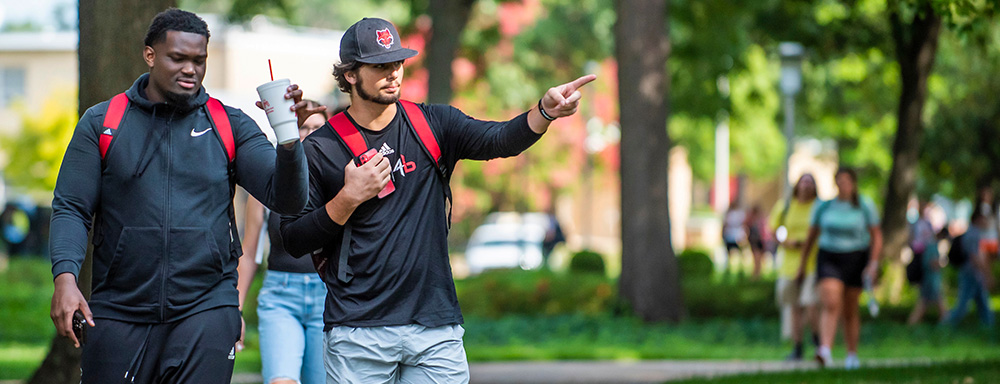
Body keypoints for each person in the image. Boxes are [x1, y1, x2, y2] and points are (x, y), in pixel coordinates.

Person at [279, 17, 595, 383]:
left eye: (397, 63)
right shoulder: (321, 148)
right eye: (380, 66)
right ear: (350, 74)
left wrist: (543, 112)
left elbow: (499, 139)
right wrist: (348, 198)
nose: (393, 73)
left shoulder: (432, 123)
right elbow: (294, 239)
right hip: (358, 331)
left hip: (435, 328)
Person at [47, 9, 312, 383]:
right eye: (178, 58)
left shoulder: (229, 124)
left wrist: (288, 139)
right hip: (120, 309)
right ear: (150, 55)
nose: (190, 69)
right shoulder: (103, 122)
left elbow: (286, 200)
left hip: (207, 309)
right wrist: (65, 277)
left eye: (199, 60)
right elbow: (72, 208)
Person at [236, 100, 330, 384]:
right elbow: (249, 252)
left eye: (317, 128)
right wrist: (235, 309)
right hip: (280, 297)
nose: (309, 134)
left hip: (328, 299)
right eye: (302, 127)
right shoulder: (269, 184)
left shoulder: (338, 181)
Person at [798, 167, 882, 370]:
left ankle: (851, 353)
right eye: (839, 181)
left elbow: (876, 236)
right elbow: (811, 237)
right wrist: (802, 265)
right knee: (831, 302)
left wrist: (873, 263)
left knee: (850, 309)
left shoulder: (864, 205)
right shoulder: (825, 207)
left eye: (847, 181)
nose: (843, 185)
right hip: (829, 257)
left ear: (853, 183)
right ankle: (825, 350)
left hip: (855, 258)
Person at [770, 173, 819, 360]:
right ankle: (797, 347)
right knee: (794, 306)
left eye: (810, 182)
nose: (806, 186)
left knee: (810, 303)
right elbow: (773, 229)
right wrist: (786, 242)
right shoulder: (786, 206)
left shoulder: (817, 207)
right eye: (803, 182)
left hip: (812, 263)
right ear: (797, 185)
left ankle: (818, 342)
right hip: (789, 264)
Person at [945, 210, 995, 327]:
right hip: (971, 273)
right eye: (984, 218)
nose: (986, 222)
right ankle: (946, 326)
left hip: (974, 274)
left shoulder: (973, 233)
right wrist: (987, 274)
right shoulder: (974, 234)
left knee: (983, 303)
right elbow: (974, 257)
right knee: (963, 305)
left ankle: (989, 328)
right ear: (978, 219)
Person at [906, 200, 947, 325]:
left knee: (927, 298)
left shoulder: (929, 227)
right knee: (929, 297)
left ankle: (945, 320)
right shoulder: (916, 225)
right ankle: (945, 321)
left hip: (926, 259)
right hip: (922, 260)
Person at [722, 202, 747, 275]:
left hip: (737, 236)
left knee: (739, 253)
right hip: (731, 235)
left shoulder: (739, 213)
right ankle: (730, 269)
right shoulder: (730, 214)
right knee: (730, 253)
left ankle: (740, 269)